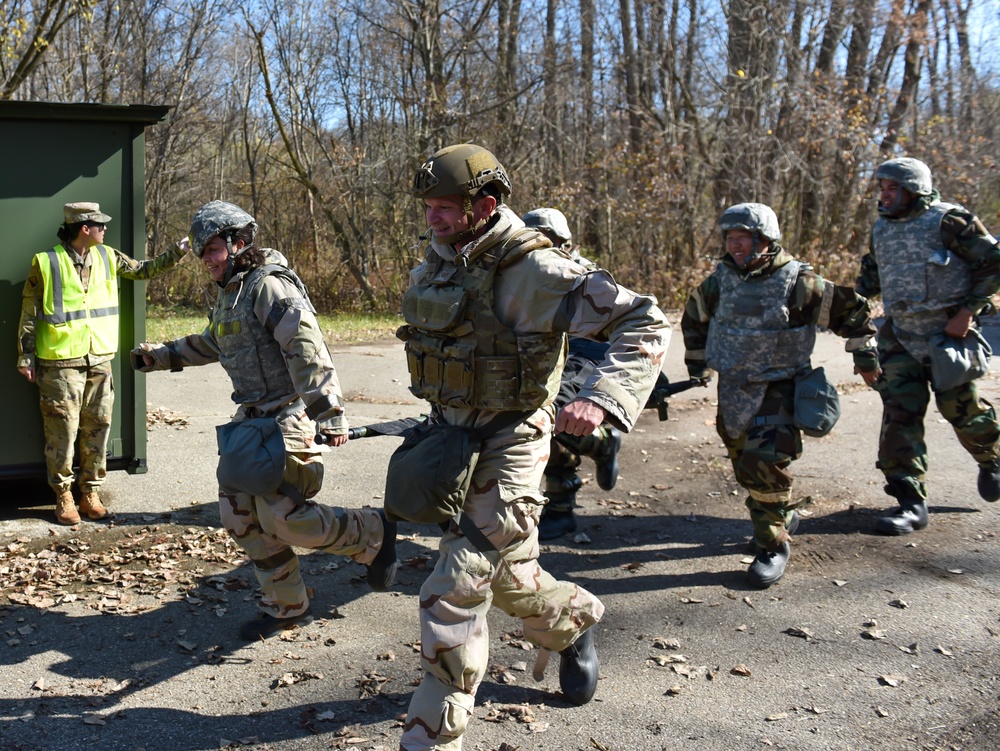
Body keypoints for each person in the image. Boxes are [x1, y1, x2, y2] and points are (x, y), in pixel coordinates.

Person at [398, 144, 670, 750]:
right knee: (511, 581)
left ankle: (431, 738)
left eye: (445, 207)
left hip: (515, 443)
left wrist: (601, 399)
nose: (432, 219)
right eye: (428, 208)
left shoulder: (538, 271)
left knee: (457, 586)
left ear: (484, 205)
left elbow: (646, 321)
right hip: (452, 444)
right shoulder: (438, 264)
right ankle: (572, 621)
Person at [130, 201, 397, 641]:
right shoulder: (231, 294)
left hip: (289, 419)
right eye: (202, 253)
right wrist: (161, 355)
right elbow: (216, 341)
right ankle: (287, 604)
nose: (207, 260)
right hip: (250, 423)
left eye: (213, 248)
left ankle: (371, 530)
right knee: (240, 518)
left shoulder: (268, 286)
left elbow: (306, 348)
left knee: (286, 519)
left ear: (238, 243)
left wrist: (328, 413)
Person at [682, 203, 879, 588]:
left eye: (741, 238)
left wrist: (866, 357)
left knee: (763, 462)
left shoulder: (798, 283)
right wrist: (698, 366)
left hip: (780, 386)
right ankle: (781, 513)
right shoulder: (720, 280)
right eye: (729, 239)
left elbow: (853, 313)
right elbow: (694, 317)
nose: (734, 246)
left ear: (765, 240)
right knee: (744, 464)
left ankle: (772, 544)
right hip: (734, 388)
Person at [17, 202, 189, 525]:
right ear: (84, 228)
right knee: (62, 432)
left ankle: (90, 492)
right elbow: (30, 312)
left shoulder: (108, 257)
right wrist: (26, 355)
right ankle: (63, 496)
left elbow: (143, 270)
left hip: (99, 359)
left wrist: (178, 252)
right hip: (59, 363)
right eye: (100, 224)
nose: (105, 229)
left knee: (98, 427)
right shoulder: (46, 263)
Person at [857, 157, 1000, 535]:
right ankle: (910, 501)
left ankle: (992, 458)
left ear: (914, 189)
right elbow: (870, 277)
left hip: (947, 336)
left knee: (963, 411)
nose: (884, 196)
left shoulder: (951, 221)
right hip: (900, 337)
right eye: (882, 189)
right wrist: (846, 310)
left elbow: (993, 264)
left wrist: (968, 312)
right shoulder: (882, 228)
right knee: (899, 415)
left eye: (892, 189)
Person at [521, 208, 622, 540]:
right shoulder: (518, 273)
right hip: (545, 358)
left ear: (566, 243)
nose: (540, 248)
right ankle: (561, 507)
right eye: (532, 240)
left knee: (547, 413)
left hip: (585, 354)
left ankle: (600, 447)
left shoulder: (587, 276)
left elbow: (632, 323)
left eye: (548, 241)